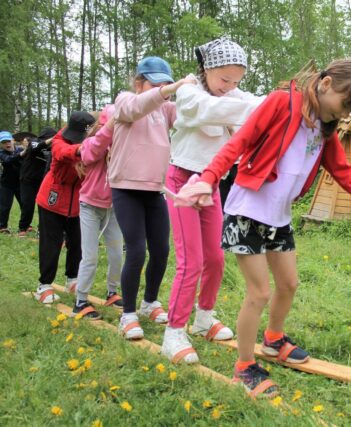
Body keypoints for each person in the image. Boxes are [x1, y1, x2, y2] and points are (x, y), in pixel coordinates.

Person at [176, 59, 351, 396]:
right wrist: (208, 178)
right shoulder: (281, 102)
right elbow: (238, 143)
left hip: (279, 217)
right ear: (326, 84)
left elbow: (344, 173)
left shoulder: (324, 128)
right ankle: (244, 367)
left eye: (349, 113)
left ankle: (273, 339)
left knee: (289, 284)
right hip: (247, 213)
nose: (344, 115)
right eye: (344, 105)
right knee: (259, 292)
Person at [162, 38, 264, 364]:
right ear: (207, 69)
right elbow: (210, 110)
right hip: (181, 182)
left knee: (216, 258)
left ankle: (204, 316)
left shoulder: (233, 97)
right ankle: (174, 332)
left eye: (236, 81)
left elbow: (253, 103)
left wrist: (281, 103)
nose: (230, 87)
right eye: (225, 79)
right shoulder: (189, 92)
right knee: (190, 260)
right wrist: (262, 109)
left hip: (210, 185)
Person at [109, 56, 195, 340]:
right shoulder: (124, 101)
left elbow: (190, 116)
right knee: (136, 251)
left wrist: (199, 90)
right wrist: (170, 89)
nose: (161, 90)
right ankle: (128, 314)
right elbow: (137, 108)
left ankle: (149, 302)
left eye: (165, 84)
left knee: (161, 250)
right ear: (139, 84)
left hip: (155, 190)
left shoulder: (164, 109)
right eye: (155, 84)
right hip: (126, 188)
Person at [33, 112, 96, 304]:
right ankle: (44, 285)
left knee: (77, 243)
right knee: (51, 243)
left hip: (79, 202)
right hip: (52, 200)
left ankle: (72, 279)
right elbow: (62, 152)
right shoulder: (60, 139)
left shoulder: (96, 142)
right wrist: (83, 148)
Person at [72, 105, 124, 320]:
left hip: (113, 208)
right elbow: (93, 152)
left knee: (117, 253)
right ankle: (81, 300)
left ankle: (112, 291)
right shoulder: (91, 144)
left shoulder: (122, 146)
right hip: (90, 207)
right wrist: (108, 135)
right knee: (90, 256)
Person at [19, 128, 57, 236]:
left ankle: (41, 229)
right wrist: (52, 139)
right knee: (28, 204)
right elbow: (37, 146)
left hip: (42, 181)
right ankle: (23, 227)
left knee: (43, 206)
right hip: (28, 180)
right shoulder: (34, 142)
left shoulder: (53, 148)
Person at [0, 132, 26, 234]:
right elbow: (8, 160)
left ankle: (26, 225)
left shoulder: (20, 149)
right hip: (6, 185)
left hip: (20, 183)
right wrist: (21, 154)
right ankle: (2, 226)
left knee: (25, 205)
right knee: (5, 206)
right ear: (1, 144)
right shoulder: (2, 153)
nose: (7, 144)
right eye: (4, 142)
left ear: (13, 141)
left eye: (8, 141)